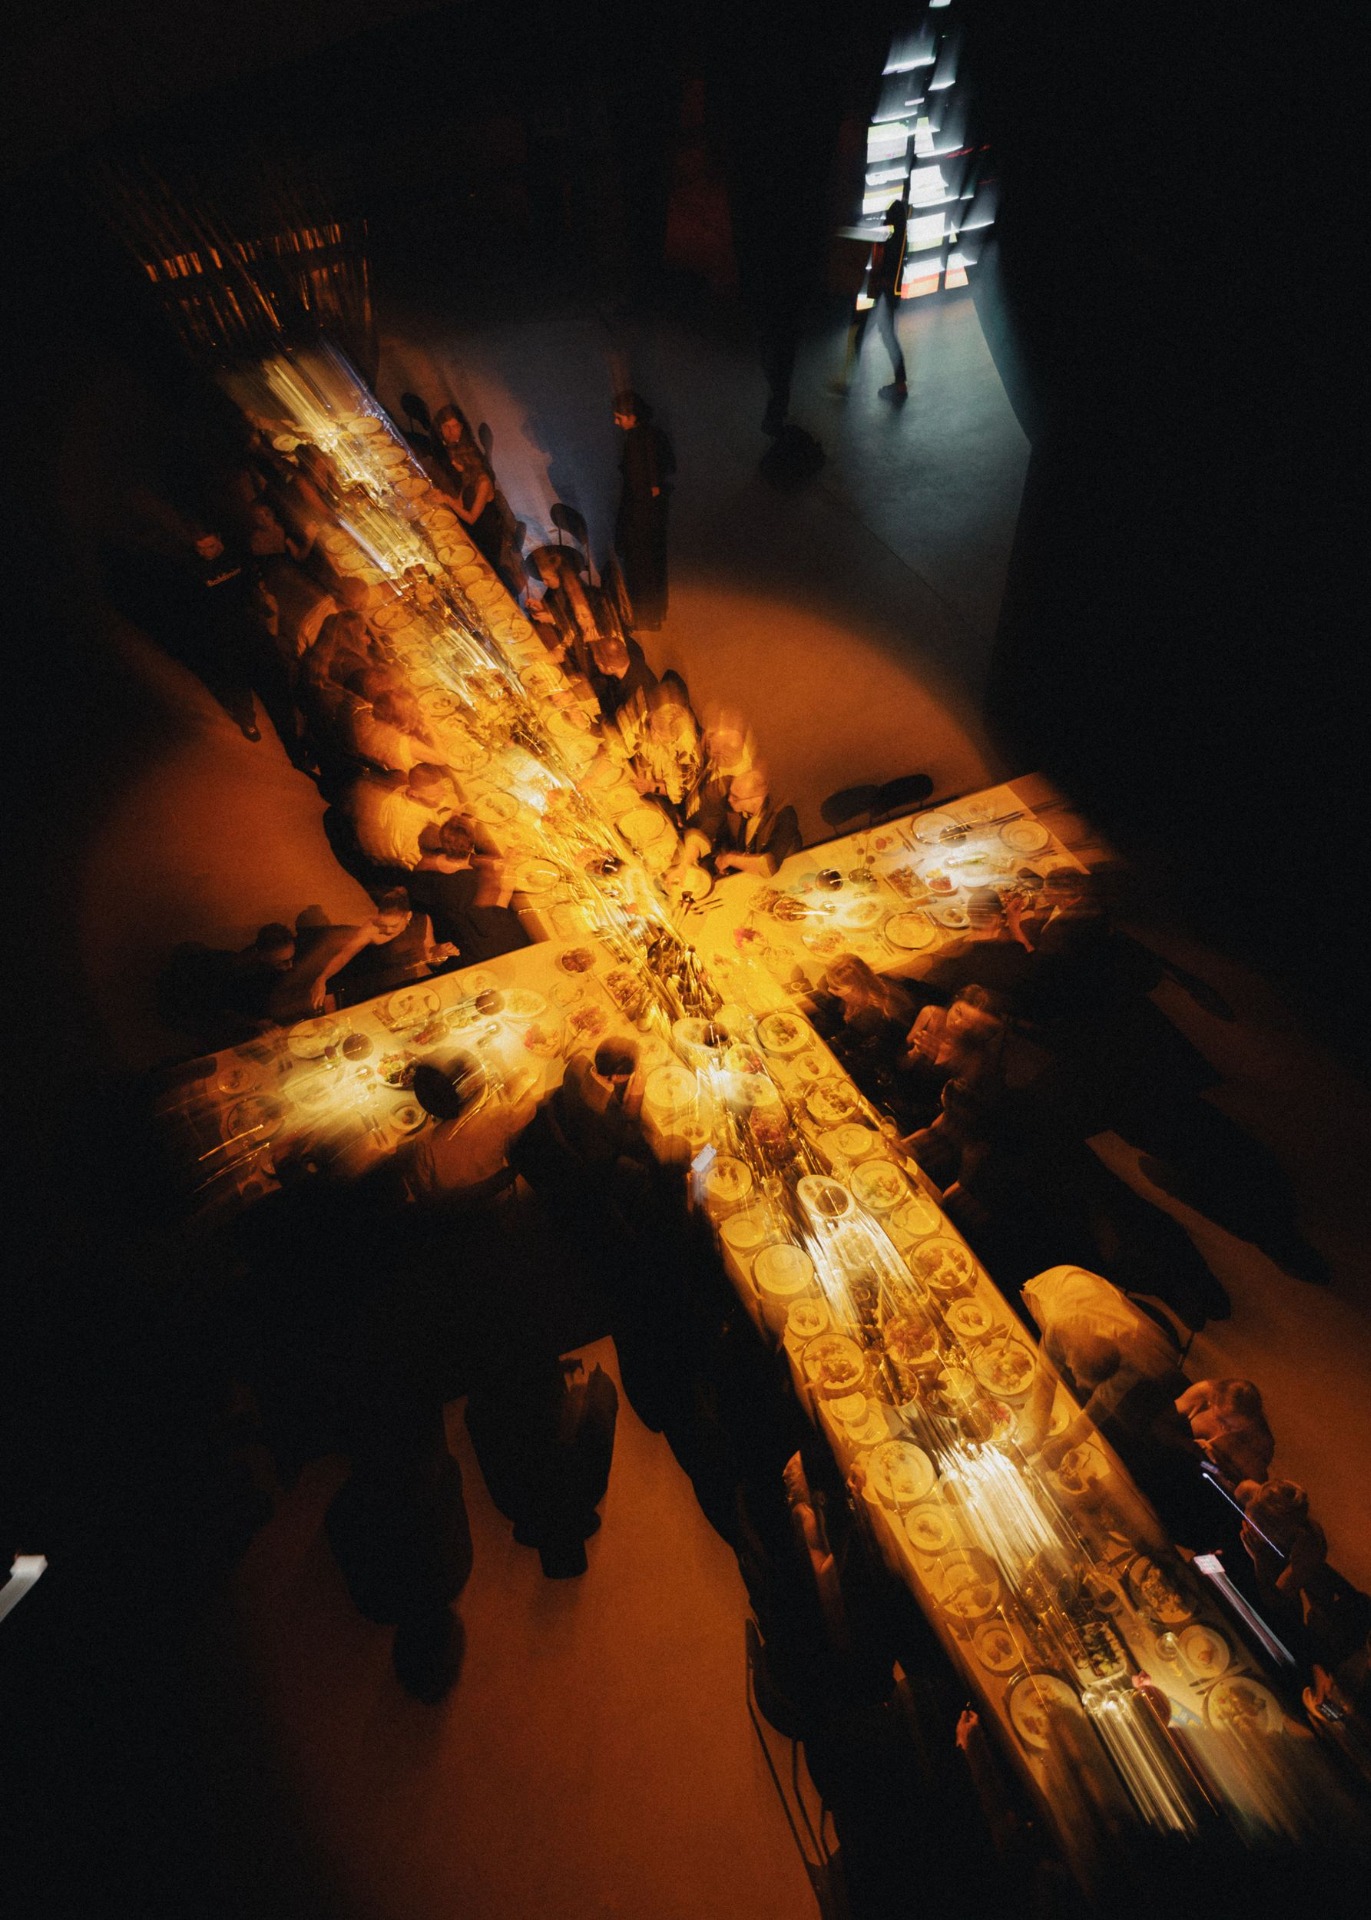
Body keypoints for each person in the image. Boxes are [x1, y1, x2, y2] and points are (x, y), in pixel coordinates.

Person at [1017, 1266, 1195, 1488]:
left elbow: (1101, 1403)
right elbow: (1045, 1379)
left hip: (1125, 1331)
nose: (1078, 1383)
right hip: (1056, 1284)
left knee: (1113, 1409)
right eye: (1077, 1376)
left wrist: (1067, 1443)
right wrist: (1036, 1434)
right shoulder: (1058, 1327)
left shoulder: (1134, 1355)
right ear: (1069, 1358)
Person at [268, 891, 452, 1022]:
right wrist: (322, 978)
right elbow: (344, 955)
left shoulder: (423, 920)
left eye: (394, 925)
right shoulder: (371, 928)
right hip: (380, 984)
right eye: (383, 924)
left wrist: (439, 953)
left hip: (409, 982)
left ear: (408, 916)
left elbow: (429, 953)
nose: (387, 930)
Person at [404, 1055, 539, 1210]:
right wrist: (504, 1067)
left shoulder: (425, 1143)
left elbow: (423, 1190)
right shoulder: (498, 1117)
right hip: (495, 1196)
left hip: (454, 1209)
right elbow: (529, 1107)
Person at [404, 818, 531, 965]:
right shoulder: (476, 878)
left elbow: (422, 914)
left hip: (459, 945)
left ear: (443, 842)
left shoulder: (425, 866)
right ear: (471, 846)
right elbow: (494, 916)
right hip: (486, 944)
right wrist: (506, 887)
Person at [157, 922, 297, 1045]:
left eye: (292, 958)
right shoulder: (230, 973)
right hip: (203, 1018)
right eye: (282, 962)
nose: (290, 965)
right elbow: (219, 1012)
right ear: (261, 955)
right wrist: (256, 1023)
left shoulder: (268, 965)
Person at [833, 199, 909, 400]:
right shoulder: (900, 239)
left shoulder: (892, 240)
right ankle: (899, 383)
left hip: (883, 298)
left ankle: (854, 383)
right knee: (885, 338)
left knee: (863, 337)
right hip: (887, 299)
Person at [613, 391, 674, 630]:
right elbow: (668, 467)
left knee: (641, 567)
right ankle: (654, 613)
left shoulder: (635, 444)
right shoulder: (653, 435)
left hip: (640, 515)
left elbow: (637, 486)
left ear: (632, 417)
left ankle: (644, 615)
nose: (616, 422)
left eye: (619, 417)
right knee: (654, 564)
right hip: (652, 513)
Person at [678, 764, 801, 880]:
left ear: (756, 799)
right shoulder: (732, 806)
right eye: (730, 794)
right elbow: (704, 831)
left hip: (786, 875)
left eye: (735, 797)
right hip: (749, 877)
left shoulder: (785, 815)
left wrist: (731, 859)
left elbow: (769, 865)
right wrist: (688, 858)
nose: (729, 799)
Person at [429, 403, 506, 579]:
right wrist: (443, 498)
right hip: (473, 528)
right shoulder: (468, 475)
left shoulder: (483, 482)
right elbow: (461, 502)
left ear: (466, 460)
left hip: (485, 535)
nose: (453, 464)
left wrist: (448, 501)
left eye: (456, 461)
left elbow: (471, 518)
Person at [346, 763, 458, 871]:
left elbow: (444, 788)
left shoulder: (407, 789)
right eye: (434, 795)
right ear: (414, 794)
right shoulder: (408, 825)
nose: (441, 797)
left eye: (441, 791)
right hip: (394, 859)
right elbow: (405, 857)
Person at [1175, 1378, 1275, 1485]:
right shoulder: (1203, 1393)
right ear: (1211, 1402)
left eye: (1234, 1427)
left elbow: (1240, 1487)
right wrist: (1189, 1446)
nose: (1224, 1429)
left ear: (1250, 1423)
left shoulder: (1260, 1443)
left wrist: (1208, 1460)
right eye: (1220, 1419)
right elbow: (1164, 1425)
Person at [587, 630, 658, 723]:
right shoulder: (630, 658)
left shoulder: (634, 695)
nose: (597, 665)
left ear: (611, 668)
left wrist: (589, 721)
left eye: (598, 665)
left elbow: (618, 725)